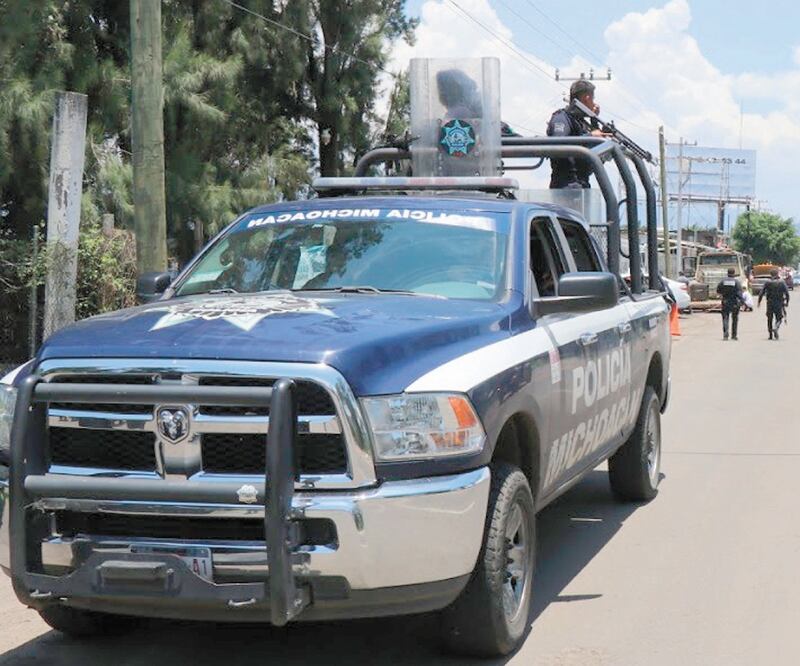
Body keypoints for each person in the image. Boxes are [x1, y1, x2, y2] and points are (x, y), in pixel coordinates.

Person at [546, 79, 605, 189]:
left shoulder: (580, 122)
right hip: (566, 186)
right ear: (586, 98)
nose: (594, 103)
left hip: (581, 184)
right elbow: (558, 143)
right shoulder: (562, 118)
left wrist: (594, 119)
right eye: (593, 99)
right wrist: (590, 137)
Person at [758, 268, 790, 340]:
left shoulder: (768, 282)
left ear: (771, 274)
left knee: (769, 318)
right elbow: (787, 293)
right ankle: (776, 327)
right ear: (777, 274)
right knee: (779, 318)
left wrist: (759, 302)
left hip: (770, 302)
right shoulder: (782, 282)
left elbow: (761, 292)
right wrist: (787, 302)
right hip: (779, 302)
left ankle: (770, 335)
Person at [716, 268, 745, 340]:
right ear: (734, 273)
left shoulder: (722, 281)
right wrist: (742, 302)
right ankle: (734, 335)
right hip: (734, 302)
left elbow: (718, 291)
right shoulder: (737, 282)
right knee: (735, 319)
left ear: (727, 273)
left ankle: (725, 334)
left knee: (725, 318)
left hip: (725, 301)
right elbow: (739, 293)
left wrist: (723, 294)